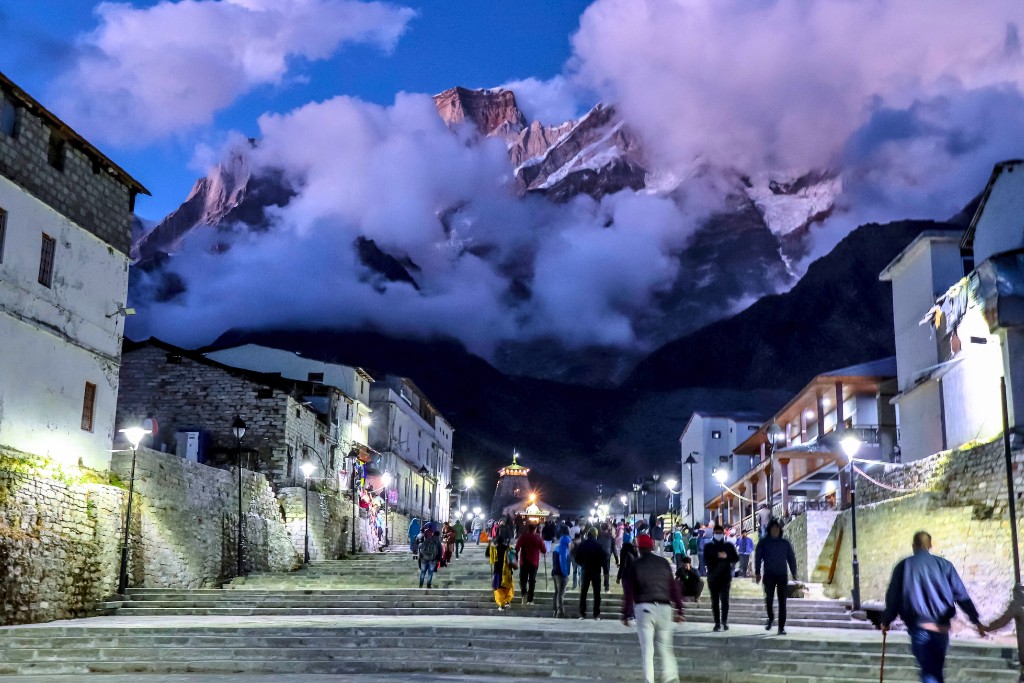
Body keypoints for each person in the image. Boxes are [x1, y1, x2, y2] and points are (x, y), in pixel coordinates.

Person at [881, 531, 986, 683]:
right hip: (941, 630)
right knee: (935, 671)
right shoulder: (945, 566)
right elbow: (962, 597)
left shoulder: (903, 566)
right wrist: (976, 621)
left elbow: (894, 599)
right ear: (930, 545)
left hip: (919, 628)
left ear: (913, 546)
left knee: (929, 672)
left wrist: (886, 621)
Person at [621, 534, 685, 683]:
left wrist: (626, 614)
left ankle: (649, 680)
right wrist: (680, 609)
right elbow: (673, 587)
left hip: (644, 608)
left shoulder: (635, 565)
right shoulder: (663, 563)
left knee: (647, 651)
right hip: (664, 608)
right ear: (652, 547)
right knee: (665, 647)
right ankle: (671, 677)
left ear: (638, 548)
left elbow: (629, 592)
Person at [755, 519, 797, 635]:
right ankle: (771, 617)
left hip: (782, 575)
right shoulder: (763, 543)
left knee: (782, 602)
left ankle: (781, 627)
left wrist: (794, 572)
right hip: (769, 575)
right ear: (769, 530)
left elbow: (791, 558)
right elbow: (758, 557)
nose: (775, 530)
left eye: (777, 528)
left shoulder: (785, 543)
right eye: (773, 528)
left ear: (780, 530)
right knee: (769, 599)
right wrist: (757, 572)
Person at [704, 524, 738, 631]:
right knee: (714, 601)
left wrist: (727, 556)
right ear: (713, 533)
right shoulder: (708, 546)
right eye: (716, 532)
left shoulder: (728, 545)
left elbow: (736, 558)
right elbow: (705, 559)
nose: (718, 534)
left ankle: (724, 621)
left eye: (720, 532)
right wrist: (717, 555)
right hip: (713, 577)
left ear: (723, 533)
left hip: (725, 577)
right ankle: (717, 623)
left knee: (724, 600)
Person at [576, 527, 606, 620]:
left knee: (583, 592)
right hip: (596, 571)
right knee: (597, 593)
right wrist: (604, 570)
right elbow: (603, 559)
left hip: (585, 570)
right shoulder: (598, 545)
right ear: (595, 535)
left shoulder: (582, 544)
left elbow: (577, 558)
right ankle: (596, 614)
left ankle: (582, 613)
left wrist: (583, 564)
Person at [515, 523, 546, 605]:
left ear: (528, 529)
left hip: (523, 561)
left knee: (523, 580)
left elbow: (517, 548)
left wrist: (515, 557)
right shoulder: (538, 537)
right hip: (534, 562)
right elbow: (544, 550)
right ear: (535, 529)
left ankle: (524, 594)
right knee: (532, 580)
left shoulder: (523, 536)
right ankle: (530, 599)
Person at [489, 536, 517, 611]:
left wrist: (490, 544)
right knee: (509, 588)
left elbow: (488, 556)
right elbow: (514, 558)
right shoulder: (509, 549)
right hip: (507, 572)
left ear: (496, 542)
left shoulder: (493, 549)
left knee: (498, 589)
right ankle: (507, 601)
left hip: (497, 572)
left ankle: (501, 604)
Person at [552, 529, 572, 618]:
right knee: (561, 593)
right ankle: (560, 612)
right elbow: (562, 561)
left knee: (557, 592)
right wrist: (565, 574)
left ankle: (555, 611)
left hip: (554, 572)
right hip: (560, 574)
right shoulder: (564, 549)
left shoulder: (557, 548)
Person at [598, 523, 618, 591]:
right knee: (606, 571)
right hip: (607, 556)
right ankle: (606, 586)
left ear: (601, 528)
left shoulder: (598, 536)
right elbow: (614, 549)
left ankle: (597, 585)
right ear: (607, 528)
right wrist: (616, 559)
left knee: (597, 571)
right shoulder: (611, 537)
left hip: (598, 555)